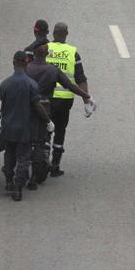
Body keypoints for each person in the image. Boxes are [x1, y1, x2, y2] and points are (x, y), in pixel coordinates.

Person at [27, 40, 90, 186]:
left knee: (36, 138)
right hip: (57, 103)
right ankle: (53, 165)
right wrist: (87, 97)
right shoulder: (57, 66)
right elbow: (72, 84)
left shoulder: (28, 68)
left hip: (32, 107)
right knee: (57, 132)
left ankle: (28, 170)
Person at [0, 51, 50, 201]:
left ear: (13, 62)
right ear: (27, 63)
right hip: (25, 128)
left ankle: (8, 180)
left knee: (9, 154)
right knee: (23, 158)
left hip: (8, 127)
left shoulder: (5, 84)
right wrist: (48, 120)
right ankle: (18, 188)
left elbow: (3, 101)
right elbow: (37, 106)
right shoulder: (31, 84)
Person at [47, 22, 89, 177]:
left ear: (53, 33)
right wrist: (87, 101)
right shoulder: (73, 53)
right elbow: (81, 79)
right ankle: (55, 165)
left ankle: (43, 159)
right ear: (66, 34)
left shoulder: (45, 49)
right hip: (65, 100)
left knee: (45, 129)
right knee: (60, 130)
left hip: (46, 98)